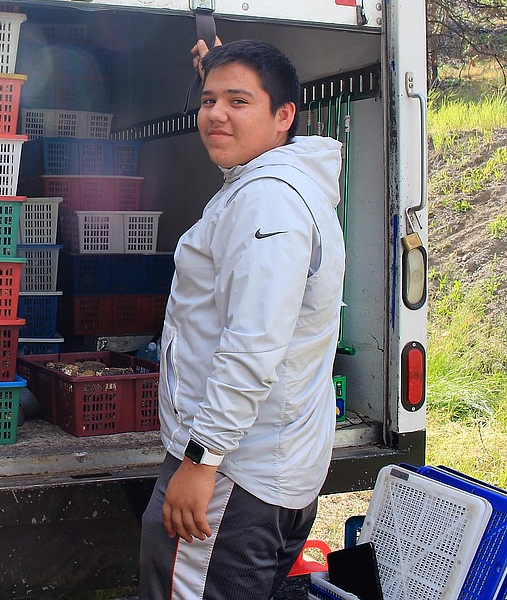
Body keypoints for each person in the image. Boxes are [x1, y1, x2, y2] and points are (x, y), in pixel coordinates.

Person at [139, 39, 346, 600]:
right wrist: (229, 71)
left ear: (284, 117)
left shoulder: (267, 201)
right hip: (266, 469)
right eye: (208, 100)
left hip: (234, 476)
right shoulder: (283, 185)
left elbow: (253, 343)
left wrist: (201, 461)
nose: (216, 114)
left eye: (238, 101)